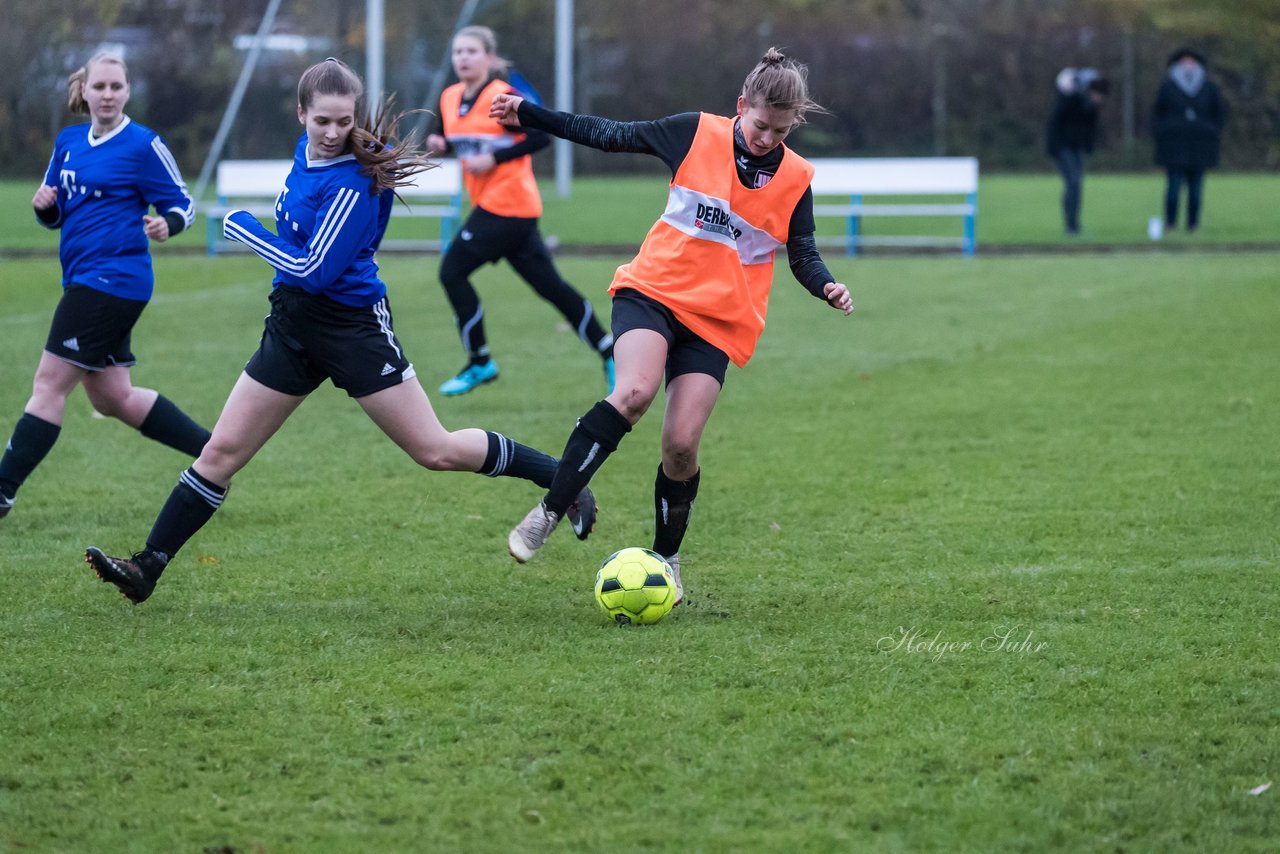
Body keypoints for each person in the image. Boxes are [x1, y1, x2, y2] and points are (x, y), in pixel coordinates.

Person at [85, 58, 595, 603]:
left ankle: (563, 481)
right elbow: (301, 267)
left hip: (353, 330)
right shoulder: (305, 155)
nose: (331, 133)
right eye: (321, 120)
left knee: (435, 449)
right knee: (221, 453)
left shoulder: (353, 182)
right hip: (293, 327)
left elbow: (314, 269)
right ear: (301, 113)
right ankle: (146, 569)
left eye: (343, 122)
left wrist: (243, 228)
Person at [491, 48, 853, 604]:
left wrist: (826, 284)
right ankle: (549, 509)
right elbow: (609, 133)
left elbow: (801, 252)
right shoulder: (693, 133)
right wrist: (531, 114)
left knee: (681, 445)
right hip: (653, 292)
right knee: (633, 391)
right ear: (741, 107)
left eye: (780, 132)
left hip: (719, 320)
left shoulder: (797, 177)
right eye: (759, 126)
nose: (766, 139)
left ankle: (667, 558)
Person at [0, 52, 207, 523]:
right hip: (84, 277)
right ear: (86, 91)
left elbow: (183, 202)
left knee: (49, 384)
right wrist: (44, 206)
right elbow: (55, 214)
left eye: (117, 86)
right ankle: (215, 454)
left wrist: (167, 225)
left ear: (127, 91)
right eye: (101, 87)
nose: (109, 94)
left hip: (113, 281)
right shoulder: (69, 142)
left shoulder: (142, 144)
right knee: (112, 397)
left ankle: (2, 489)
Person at [426, 26, 615, 396]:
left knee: (451, 271)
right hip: (500, 209)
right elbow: (450, 140)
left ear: (489, 58)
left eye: (471, 51)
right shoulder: (449, 98)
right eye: (457, 52)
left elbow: (540, 135)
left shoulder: (502, 95)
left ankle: (480, 361)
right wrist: (440, 145)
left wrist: (494, 157)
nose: (462, 58)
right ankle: (609, 350)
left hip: (508, 205)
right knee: (552, 288)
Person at [1153, 48, 1228, 233]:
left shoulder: (1209, 87)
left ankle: (1192, 225)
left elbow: (1219, 113)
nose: (1188, 65)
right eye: (1184, 61)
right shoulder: (1168, 87)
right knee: (1173, 188)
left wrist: (1210, 130)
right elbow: (1157, 114)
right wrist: (1165, 130)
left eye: (1191, 61)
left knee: (1196, 190)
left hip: (1200, 145)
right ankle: (1171, 223)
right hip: (1174, 145)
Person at [1046, 67, 1109, 236]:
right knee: (1073, 182)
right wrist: (1054, 149)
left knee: (1076, 184)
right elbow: (1054, 124)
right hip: (1063, 148)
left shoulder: (1090, 104)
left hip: (1077, 148)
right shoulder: (1068, 99)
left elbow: (1090, 129)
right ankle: (1070, 225)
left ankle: (1074, 224)